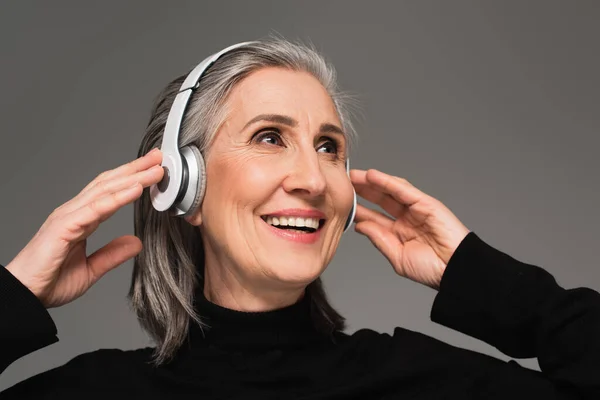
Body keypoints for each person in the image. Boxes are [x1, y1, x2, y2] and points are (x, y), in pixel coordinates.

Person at [1, 38, 598, 399]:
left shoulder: (428, 386)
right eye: (269, 137)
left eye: (329, 147)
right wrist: (13, 298)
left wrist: (485, 279)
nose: (313, 180)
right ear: (186, 186)